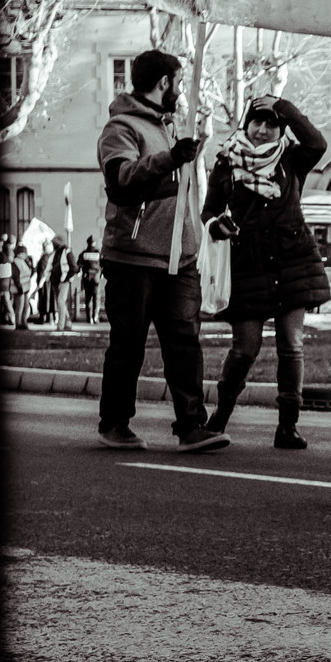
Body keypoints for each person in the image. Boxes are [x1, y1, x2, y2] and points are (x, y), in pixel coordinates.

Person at [95, 47, 226, 452]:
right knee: (128, 345)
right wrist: (170, 158)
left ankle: (191, 426)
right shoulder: (121, 128)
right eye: (179, 81)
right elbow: (121, 179)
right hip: (132, 258)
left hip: (179, 258)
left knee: (185, 342)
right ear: (164, 83)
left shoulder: (172, 127)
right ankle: (114, 423)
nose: (182, 89)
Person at [201, 94, 331, 448]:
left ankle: (287, 427)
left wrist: (285, 106)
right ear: (246, 124)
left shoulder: (291, 159)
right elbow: (209, 210)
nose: (261, 130)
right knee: (245, 348)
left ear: (281, 129)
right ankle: (218, 420)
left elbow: (318, 142)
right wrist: (216, 225)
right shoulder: (227, 163)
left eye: (270, 123)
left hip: (292, 264)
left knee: (292, 346)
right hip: (248, 268)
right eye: (256, 122)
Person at [49, 236, 75, 329]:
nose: (53, 244)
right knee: (61, 303)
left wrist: (66, 278)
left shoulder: (67, 252)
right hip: (55, 281)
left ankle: (60, 325)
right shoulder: (55, 253)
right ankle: (68, 324)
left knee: (60, 302)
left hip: (63, 281)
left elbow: (74, 267)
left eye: (54, 243)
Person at [77, 235, 102, 324]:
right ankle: (95, 317)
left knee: (88, 298)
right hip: (96, 277)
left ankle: (89, 318)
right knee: (96, 298)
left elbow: (79, 265)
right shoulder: (98, 253)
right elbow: (103, 264)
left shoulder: (84, 253)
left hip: (87, 276)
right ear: (94, 243)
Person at [11, 243, 34, 330]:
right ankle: (18, 324)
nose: (25, 255)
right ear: (19, 253)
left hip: (25, 289)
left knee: (25, 306)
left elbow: (30, 273)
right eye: (24, 253)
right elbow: (16, 277)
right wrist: (19, 287)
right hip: (19, 289)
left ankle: (23, 322)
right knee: (19, 307)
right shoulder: (16, 262)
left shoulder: (23, 262)